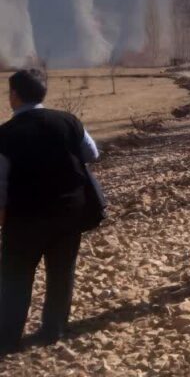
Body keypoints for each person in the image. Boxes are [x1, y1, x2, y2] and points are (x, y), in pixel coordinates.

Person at [0, 69, 99, 353]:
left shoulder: (6, 133)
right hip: (69, 212)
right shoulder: (68, 121)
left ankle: (7, 339)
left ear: (15, 95)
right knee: (61, 272)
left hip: (24, 218)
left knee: (16, 276)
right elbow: (92, 154)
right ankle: (52, 330)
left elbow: (0, 181)